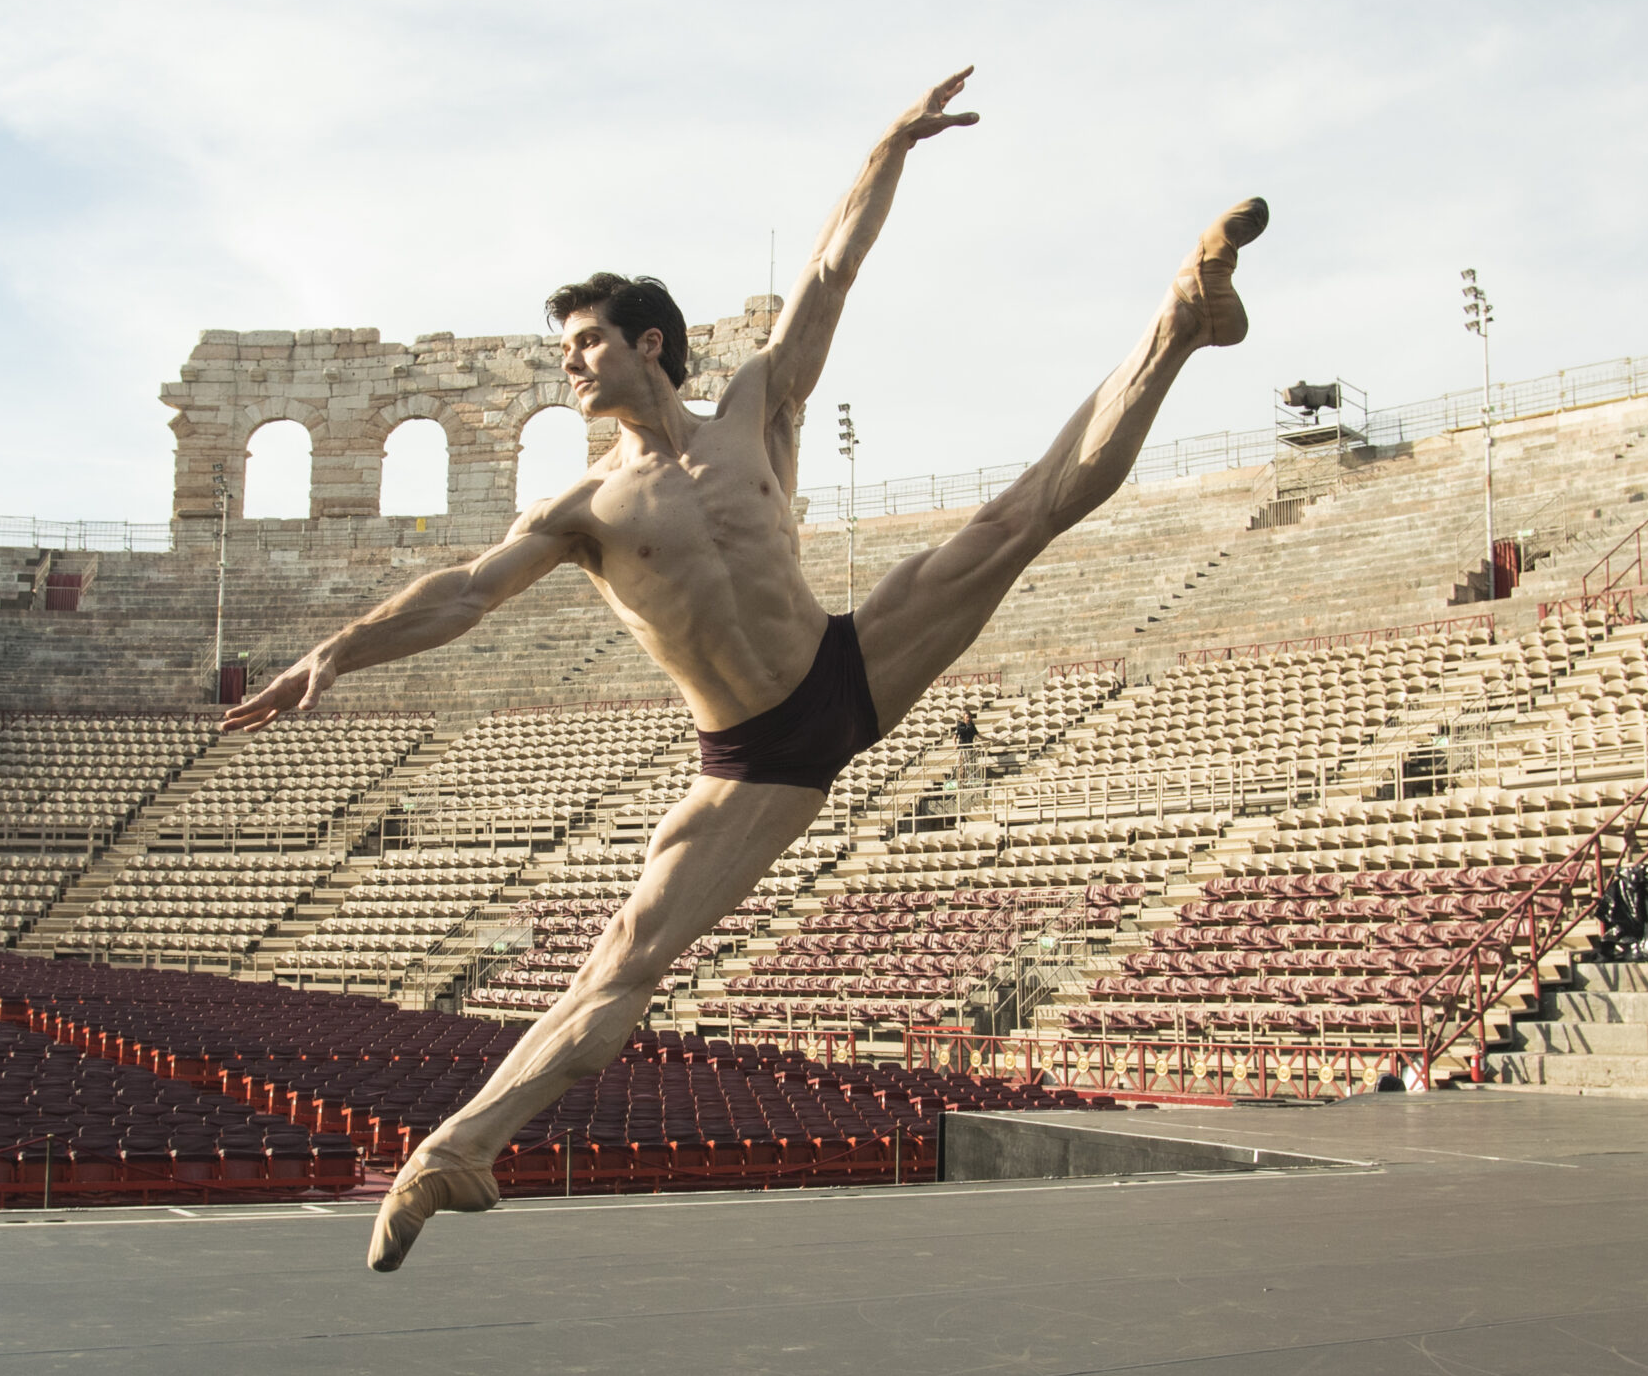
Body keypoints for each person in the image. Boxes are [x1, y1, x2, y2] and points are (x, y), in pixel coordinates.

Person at [222, 69, 1265, 1270]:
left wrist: (889, 146)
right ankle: (456, 1150)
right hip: (753, 757)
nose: (570, 365)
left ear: (646, 343)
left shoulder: (758, 410)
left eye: (585, 342)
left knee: (1018, 518)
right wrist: (336, 649)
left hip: (844, 666)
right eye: (565, 349)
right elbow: (463, 591)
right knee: (624, 962)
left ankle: (1181, 319)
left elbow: (831, 272)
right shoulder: (582, 507)